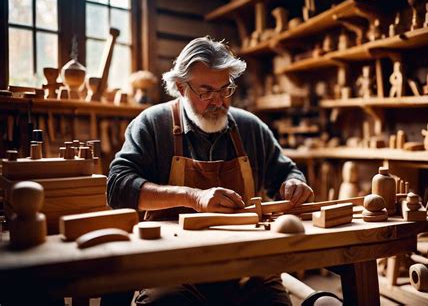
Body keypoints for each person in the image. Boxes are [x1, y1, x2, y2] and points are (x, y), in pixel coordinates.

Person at [107, 36, 314, 305]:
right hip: (171, 267)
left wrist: (294, 184)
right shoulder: (152, 124)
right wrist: (193, 197)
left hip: (246, 265)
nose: (218, 101)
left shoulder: (250, 127)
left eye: (225, 89)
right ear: (181, 88)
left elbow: (286, 173)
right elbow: (118, 188)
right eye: (206, 92)